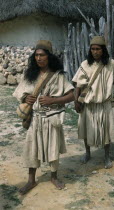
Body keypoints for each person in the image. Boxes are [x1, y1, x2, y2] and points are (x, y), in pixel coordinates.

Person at [13, 40, 74, 194]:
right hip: (35, 118)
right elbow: (19, 91)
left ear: (49, 56)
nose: (38, 58)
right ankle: (31, 180)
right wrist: (25, 98)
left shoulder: (58, 76)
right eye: (36, 55)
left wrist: (53, 100)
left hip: (52, 118)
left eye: (42, 55)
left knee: (53, 147)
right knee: (32, 148)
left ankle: (54, 177)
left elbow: (72, 95)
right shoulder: (30, 74)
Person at [72, 36, 114, 168]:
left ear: (103, 50)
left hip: (104, 104)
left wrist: (109, 85)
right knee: (85, 129)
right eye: (93, 49)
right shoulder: (85, 64)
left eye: (98, 49)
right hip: (88, 104)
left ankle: (106, 157)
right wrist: (76, 101)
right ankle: (88, 153)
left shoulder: (111, 64)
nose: (95, 52)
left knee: (106, 131)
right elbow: (78, 85)